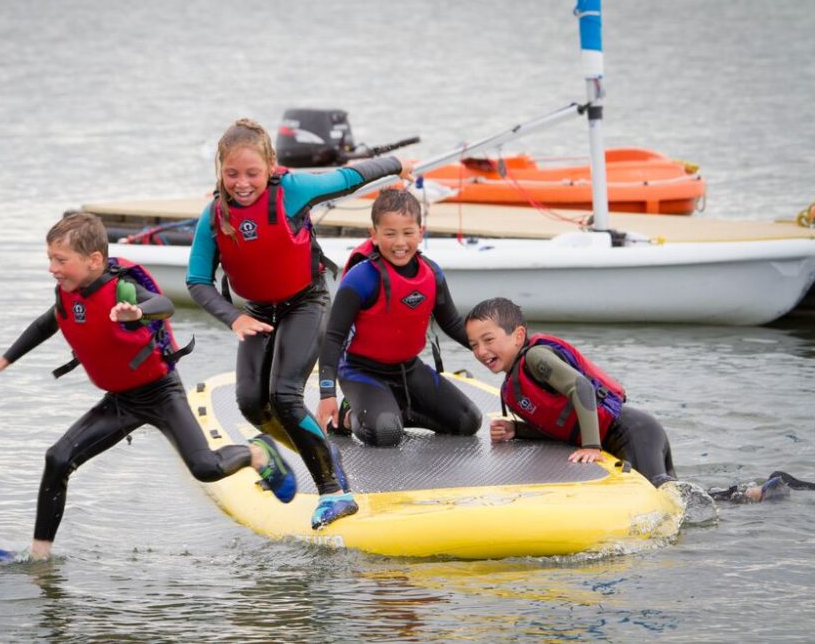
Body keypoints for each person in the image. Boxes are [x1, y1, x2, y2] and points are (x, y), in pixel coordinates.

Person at [0, 212, 296, 563]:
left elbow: (163, 305)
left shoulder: (120, 288)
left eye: (60, 260)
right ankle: (38, 556)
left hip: (160, 393)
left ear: (94, 260)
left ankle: (256, 453)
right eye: (50, 258)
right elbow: (46, 323)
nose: (52, 267)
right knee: (58, 458)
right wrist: (3, 361)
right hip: (121, 401)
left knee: (206, 467)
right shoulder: (69, 294)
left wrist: (136, 313)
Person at [186, 118, 414, 529]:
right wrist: (233, 317)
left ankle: (335, 490)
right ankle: (307, 455)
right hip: (256, 312)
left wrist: (396, 164)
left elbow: (347, 178)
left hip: (305, 302)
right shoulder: (214, 216)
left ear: (272, 166)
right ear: (219, 171)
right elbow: (198, 281)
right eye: (232, 173)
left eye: (252, 173)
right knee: (252, 403)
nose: (242, 183)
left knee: (285, 395)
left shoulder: (290, 192)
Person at [315, 188, 483, 446]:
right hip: (362, 371)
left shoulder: (432, 273)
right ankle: (349, 416)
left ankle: (392, 411)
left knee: (468, 421)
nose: (400, 243)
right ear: (374, 234)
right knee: (386, 435)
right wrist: (327, 393)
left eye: (408, 233)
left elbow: (451, 323)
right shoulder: (362, 277)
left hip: (409, 368)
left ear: (420, 232)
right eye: (389, 234)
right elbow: (333, 337)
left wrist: (488, 348)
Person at [464, 297, 677, 487]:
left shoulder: (535, 358)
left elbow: (581, 387)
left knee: (659, 496)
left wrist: (592, 447)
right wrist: (517, 430)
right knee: (671, 494)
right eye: (474, 345)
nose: (481, 351)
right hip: (624, 434)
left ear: (518, 336)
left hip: (631, 432)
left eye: (488, 340)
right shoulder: (514, 380)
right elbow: (561, 425)